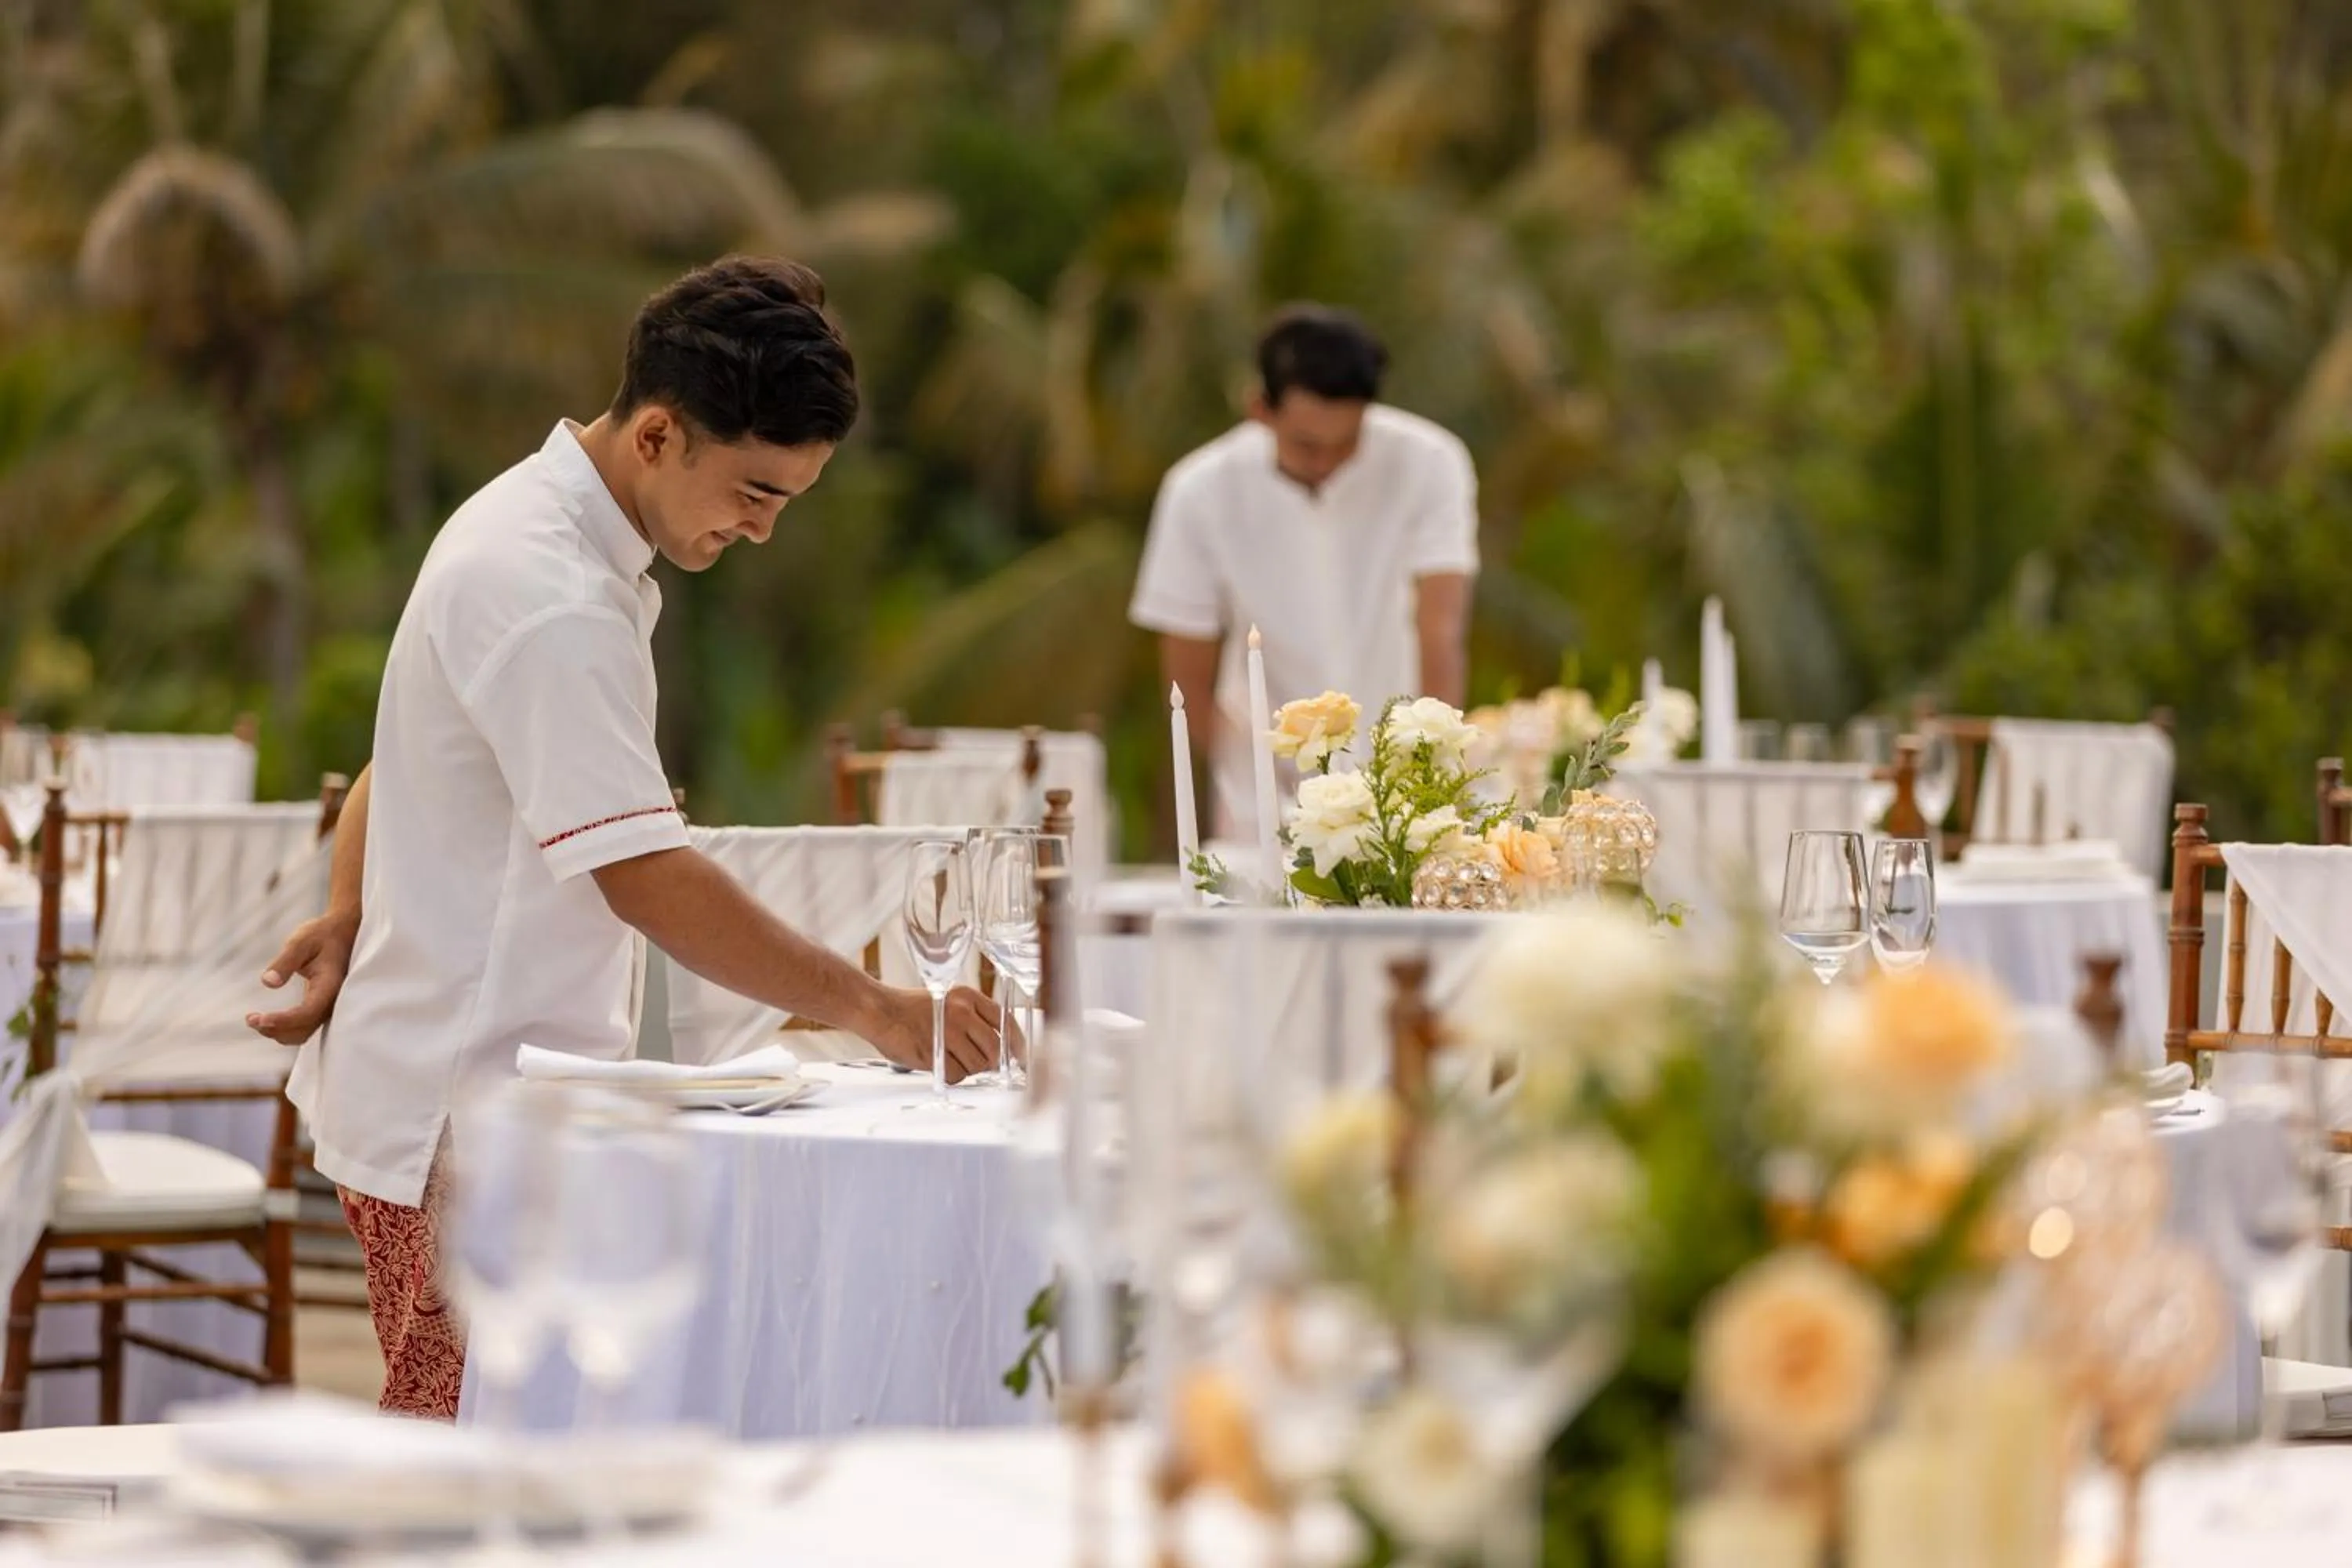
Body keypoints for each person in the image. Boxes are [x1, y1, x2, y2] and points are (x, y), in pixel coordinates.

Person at [245, 256, 1007, 1420]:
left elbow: (394, 765)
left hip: (484, 1095)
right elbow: (644, 877)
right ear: (658, 436)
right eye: (755, 494)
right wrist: (880, 1011)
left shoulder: (531, 524)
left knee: (491, 1468)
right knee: (471, 1483)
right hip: (467, 1116)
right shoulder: (549, 588)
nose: (759, 531)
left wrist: (351, 912)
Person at [1129, 304, 1479, 837]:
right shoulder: (1199, 490)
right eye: (1308, 445)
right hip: (1263, 803)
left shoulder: (1431, 461)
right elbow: (1186, 674)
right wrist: (1260, 777)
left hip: (1405, 793)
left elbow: (1442, 630)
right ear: (1259, 410)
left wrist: (1428, 774)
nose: (1328, 462)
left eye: (1346, 443)